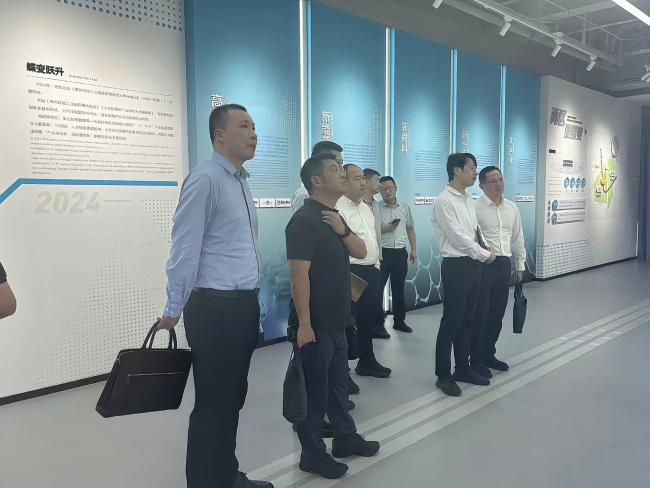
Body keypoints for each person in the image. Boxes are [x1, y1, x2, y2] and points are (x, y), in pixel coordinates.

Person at [157, 104, 272, 488]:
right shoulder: (205, 179)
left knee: (232, 399)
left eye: (254, 126)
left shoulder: (239, 181)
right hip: (215, 308)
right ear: (219, 135)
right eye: (244, 126)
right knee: (213, 404)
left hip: (240, 306)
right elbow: (184, 248)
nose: (253, 133)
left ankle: (224, 474)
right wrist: (174, 306)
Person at [286, 154, 380, 480]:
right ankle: (312, 454)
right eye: (334, 169)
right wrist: (305, 324)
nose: (341, 173)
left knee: (339, 385)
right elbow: (298, 276)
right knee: (314, 391)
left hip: (339, 319)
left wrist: (342, 230)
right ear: (316, 181)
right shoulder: (304, 220)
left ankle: (345, 437)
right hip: (315, 323)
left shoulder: (334, 216)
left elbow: (361, 251)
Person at [432, 153, 496, 397]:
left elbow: (475, 231)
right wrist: (484, 254)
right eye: (471, 168)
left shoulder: (469, 199)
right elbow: (457, 237)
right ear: (456, 170)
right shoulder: (443, 201)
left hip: (473, 265)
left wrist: (486, 249)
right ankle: (443, 375)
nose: (475, 172)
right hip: (456, 266)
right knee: (451, 321)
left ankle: (462, 368)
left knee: (468, 319)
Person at [337, 164, 392, 379]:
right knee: (347, 321)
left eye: (363, 178)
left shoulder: (365, 207)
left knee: (368, 319)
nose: (363, 183)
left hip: (371, 269)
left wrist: (376, 265)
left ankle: (367, 361)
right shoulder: (338, 208)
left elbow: (372, 239)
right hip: (352, 272)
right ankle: (342, 371)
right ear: (343, 180)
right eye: (357, 178)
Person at [472, 166, 526, 376]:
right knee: (481, 314)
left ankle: (489, 354)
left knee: (497, 313)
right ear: (482, 185)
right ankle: (476, 360)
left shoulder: (511, 208)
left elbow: (517, 238)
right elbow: (470, 239)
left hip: (503, 265)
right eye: (493, 181)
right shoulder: (474, 208)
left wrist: (520, 266)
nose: (498, 184)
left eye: (501, 180)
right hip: (482, 265)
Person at [378, 176, 417, 334]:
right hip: (382, 253)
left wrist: (414, 249)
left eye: (390, 188)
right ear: (379, 191)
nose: (387, 192)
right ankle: (378, 324)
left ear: (395, 188)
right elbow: (371, 230)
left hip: (400, 253)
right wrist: (385, 229)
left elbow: (410, 229)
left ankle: (399, 321)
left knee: (399, 289)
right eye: (383, 189)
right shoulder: (376, 208)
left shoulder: (405, 207)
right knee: (377, 290)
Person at [363, 168, 390, 339]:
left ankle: (376, 326)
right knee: (363, 299)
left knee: (376, 295)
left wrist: (388, 227)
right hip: (360, 261)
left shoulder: (376, 205)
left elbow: (376, 229)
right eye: (377, 180)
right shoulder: (357, 205)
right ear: (366, 181)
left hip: (377, 258)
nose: (380, 184)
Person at [290, 141, 344, 213]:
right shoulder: (303, 194)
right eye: (336, 163)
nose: (342, 169)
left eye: (341, 163)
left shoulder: (335, 193)